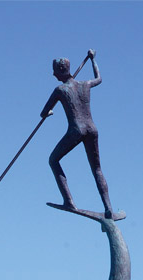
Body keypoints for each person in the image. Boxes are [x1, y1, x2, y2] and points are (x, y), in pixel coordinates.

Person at [41, 49, 113, 219]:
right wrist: (93, 59)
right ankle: (108, 207)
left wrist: (48, 113)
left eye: (54, 71)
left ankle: (69, 201)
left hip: (77, 130)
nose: (53, 74)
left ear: (60, 71)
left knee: (53, 160)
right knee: (97, 169)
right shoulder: (84, 84)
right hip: (92, 129)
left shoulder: (60, 90)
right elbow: (99, 79)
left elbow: (43, 112)